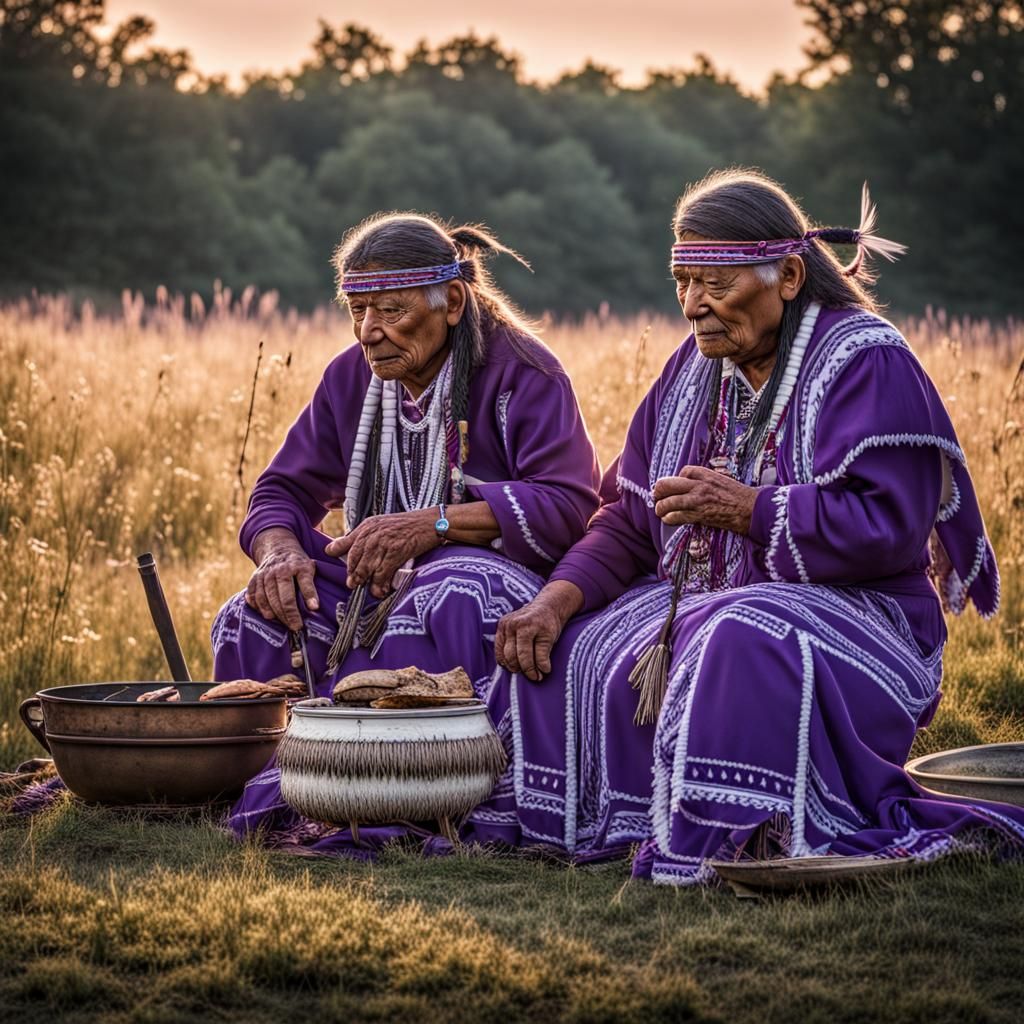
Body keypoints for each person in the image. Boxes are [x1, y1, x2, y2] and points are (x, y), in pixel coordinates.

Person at [477, 169, 1024, 884]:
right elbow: (630, 519)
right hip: (712, 602)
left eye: (715, 283)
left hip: (869, 618)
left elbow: (889, 529)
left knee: (739, 633)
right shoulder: (691, 369)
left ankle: (736, 834)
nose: (692, 305)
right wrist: (554, 600)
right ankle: (591, 826)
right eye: (683, 282)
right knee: (566, 640)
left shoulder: (864, 360)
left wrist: (750, 510)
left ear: (788, 276)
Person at [212, 212, 601, 850]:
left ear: (453, 303)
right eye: (357, 310)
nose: (370, 331)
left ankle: (423, 794)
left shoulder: (524, 372)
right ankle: (285, 785)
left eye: (391, 311)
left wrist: (435, 524)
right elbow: (280, 491)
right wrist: (278, 554)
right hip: (376, 586)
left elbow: (568, 505)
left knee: (450, 590)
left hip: (498, 583)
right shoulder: (351, 378)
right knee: (253, 614)